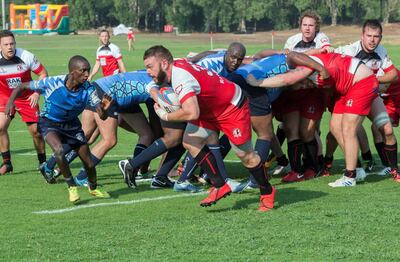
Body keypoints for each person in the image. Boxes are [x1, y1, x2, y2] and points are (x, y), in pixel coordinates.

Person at [143, 45, 277, 211]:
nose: (148, 71)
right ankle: (220, 185)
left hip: (232, 107)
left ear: (164, 64)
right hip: (211, 108)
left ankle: (267, 190)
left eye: (150, 67)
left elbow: (192, 113)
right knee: (191, 141)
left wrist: (165, 116)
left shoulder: (180, 78)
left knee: (247, 156)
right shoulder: (175, 64)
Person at [247, 52, 380, 187]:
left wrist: (258, 83)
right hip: (347, 88)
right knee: (335, 127)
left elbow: (287, 73)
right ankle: (357, 169)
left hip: (361, 82)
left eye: (302, 84)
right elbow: (287, 75)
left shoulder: (306, 68)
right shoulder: (306, 68)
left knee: (348, 129)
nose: (305, 87)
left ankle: (350, 176)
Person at [5, 55, 111, 203]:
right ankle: (72, 187)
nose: (87, 74)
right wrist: (10, 102)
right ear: (73, 72)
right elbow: (21, 86)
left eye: (88, 70)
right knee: (59, 151)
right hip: (49, 122)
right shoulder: (53, 82)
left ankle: (93, 188)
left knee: (89, 164)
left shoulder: (89, 88)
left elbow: (102, 115)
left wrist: (104, 109)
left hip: (72, 126)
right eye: (83, 71)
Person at [39, 70, 160, 188]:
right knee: (109, 140)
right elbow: (156, 125)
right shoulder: (159, 85)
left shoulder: (150, 72)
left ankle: (49, 166)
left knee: (84, 137)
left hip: (103, 89)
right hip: (107, 95)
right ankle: (82, 176)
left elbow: (125, 118)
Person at [331, 19, 399, 179]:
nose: (372, 40)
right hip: (348, 96)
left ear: (380, 37)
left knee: (387, 130)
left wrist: (372, 80)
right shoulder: (349, 51)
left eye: (376, 36)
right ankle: (356, 168)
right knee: (339, 130)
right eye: (369, 35)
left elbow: (393, 74)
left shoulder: (381, 51)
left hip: (371, 95)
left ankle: (394, 169)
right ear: (362, 35)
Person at [0, 30, 47, 175]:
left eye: (12, 43)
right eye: (6, 44)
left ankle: (43, 163)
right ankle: (7, 163)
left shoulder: (26, 56)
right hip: (6, 97)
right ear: (0, 46)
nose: (10, 47)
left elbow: (43, 74)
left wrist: (36, 92)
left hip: (27, 97)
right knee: (0, 127)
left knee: (36, 132)